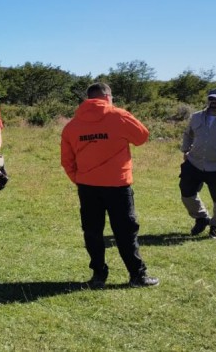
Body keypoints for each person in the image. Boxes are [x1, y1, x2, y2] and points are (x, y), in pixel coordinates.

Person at [60, 82, 159, 288]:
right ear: (108, 96)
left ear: (88, 98)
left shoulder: (72, 126)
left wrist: (79, 179)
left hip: (87, 187)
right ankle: (137, 276)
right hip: (118, 186)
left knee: (93, 232)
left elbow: (67, 161)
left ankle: (98, 276)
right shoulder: (119, 116)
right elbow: (142, 137)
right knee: (125, 231)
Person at [179, 88, 216, 239]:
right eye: (211, 99)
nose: (213, 102)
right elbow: (188, 134)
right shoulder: (196, 117)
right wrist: (185, 150)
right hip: (194, 163)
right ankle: (201, 218)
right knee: (187, 193)